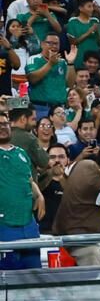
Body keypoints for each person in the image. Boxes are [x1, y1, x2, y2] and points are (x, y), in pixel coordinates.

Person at [0, 112, 45, 269]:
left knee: (34, 272)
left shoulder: (21, 153)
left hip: (28, 223)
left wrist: (39, 196)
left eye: (5, 124)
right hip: (5, 224)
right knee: (8, 275)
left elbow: (29, 179)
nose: (3, 127)